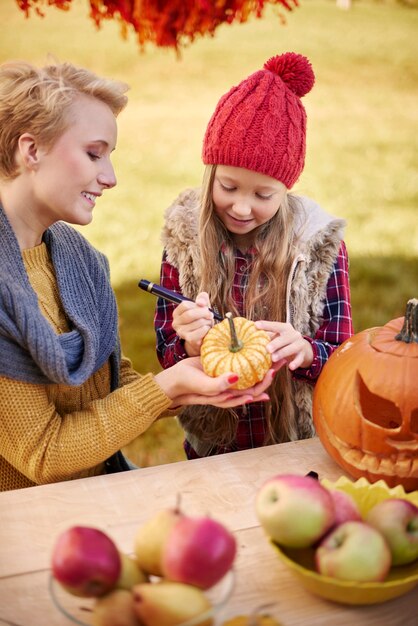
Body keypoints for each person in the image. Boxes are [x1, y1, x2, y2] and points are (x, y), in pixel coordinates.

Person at [0, 60, 275, 492]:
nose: (110, 178)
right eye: (94, 154)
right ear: (31, 150)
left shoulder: (78, 260)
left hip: (95, 495)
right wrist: (166, 387)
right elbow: (45, 452)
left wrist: (191, 379)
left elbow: (108, 385)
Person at [155, 52, 354, 459]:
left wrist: (305, 351)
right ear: (211, 171)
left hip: (300, 444)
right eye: (228, 186)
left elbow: (346, 357)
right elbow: (167, 353)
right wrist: (190, 343)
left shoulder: (316, 247)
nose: (242, 208)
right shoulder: (185, 241)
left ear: (286, 189)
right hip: (214, 449)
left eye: (263, 195)